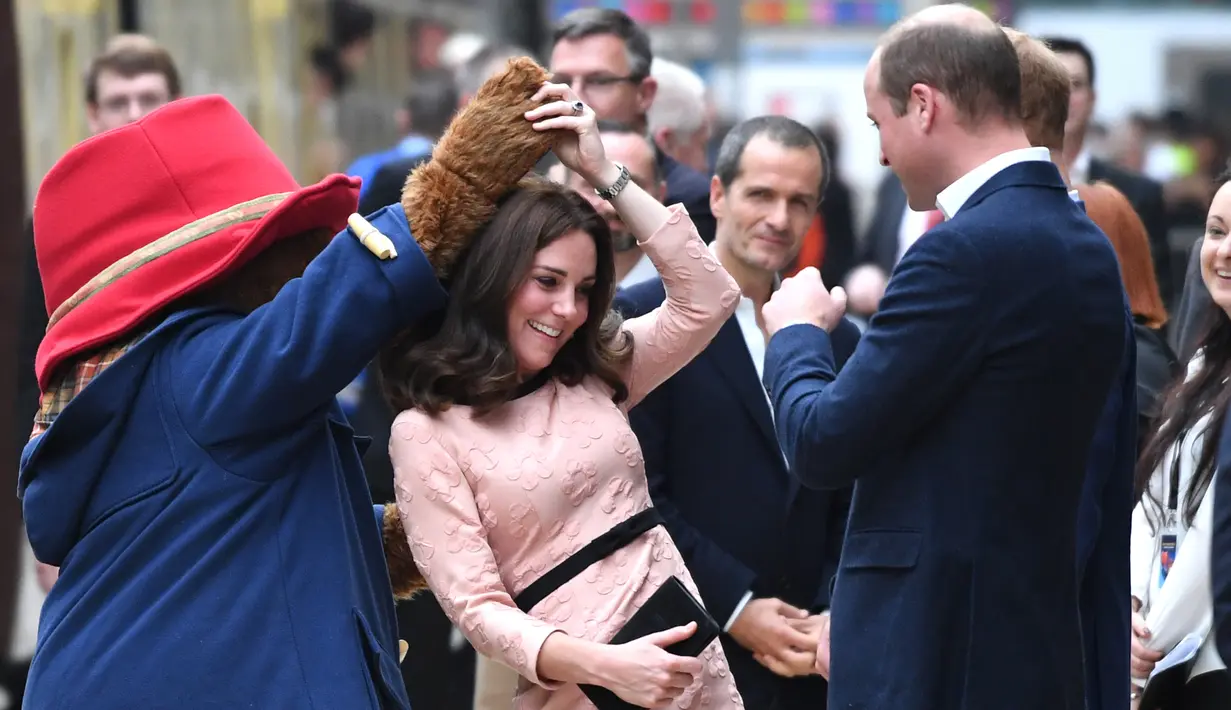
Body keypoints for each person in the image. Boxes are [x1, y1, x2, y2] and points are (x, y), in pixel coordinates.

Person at [17, 58, 559, 709]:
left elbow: (247, 524)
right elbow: (340, 301)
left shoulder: (143, 385)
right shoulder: (198, 369)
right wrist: (463, 178)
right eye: (276, 241)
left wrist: (415, 534)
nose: (300, 257)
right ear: (211, 270)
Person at [759, 6, 1128, 709]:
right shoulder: (1081, 242)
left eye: (878, 125)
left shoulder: (960, 252)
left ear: (923, 105)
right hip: (1024, 647)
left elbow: (821, 442)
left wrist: (797, 335)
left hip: (931, 657)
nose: (879, 155)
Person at [381, 83, 745, 709]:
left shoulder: (594, 372)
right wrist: (606, 667)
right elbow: (475, 608)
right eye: (547, 282)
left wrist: (604, 174)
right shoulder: (425, 431)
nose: (568, 310)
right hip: (580, 685)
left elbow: (709, 297)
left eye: (585, 288)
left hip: (687, 666)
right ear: (494, 278)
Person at [616, 115, 858, 710]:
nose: (779, 218)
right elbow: (634, 493)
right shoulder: (647, 317)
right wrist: (736, 607)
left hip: (813, 659)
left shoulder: (837, 334)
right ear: (718, 195)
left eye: (799, 201)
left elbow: (854, 493)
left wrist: (830, 610)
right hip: (687, 653)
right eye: (761, 194)